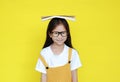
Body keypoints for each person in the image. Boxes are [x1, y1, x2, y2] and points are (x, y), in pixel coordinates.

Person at [35, 16, 82, 82]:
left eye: (63, 33)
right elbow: (43, 78)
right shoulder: (44, 53)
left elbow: (75, 78)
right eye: (56, 33)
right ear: (50, 34)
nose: (60, 36)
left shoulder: (73, 53)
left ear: (67, 33)